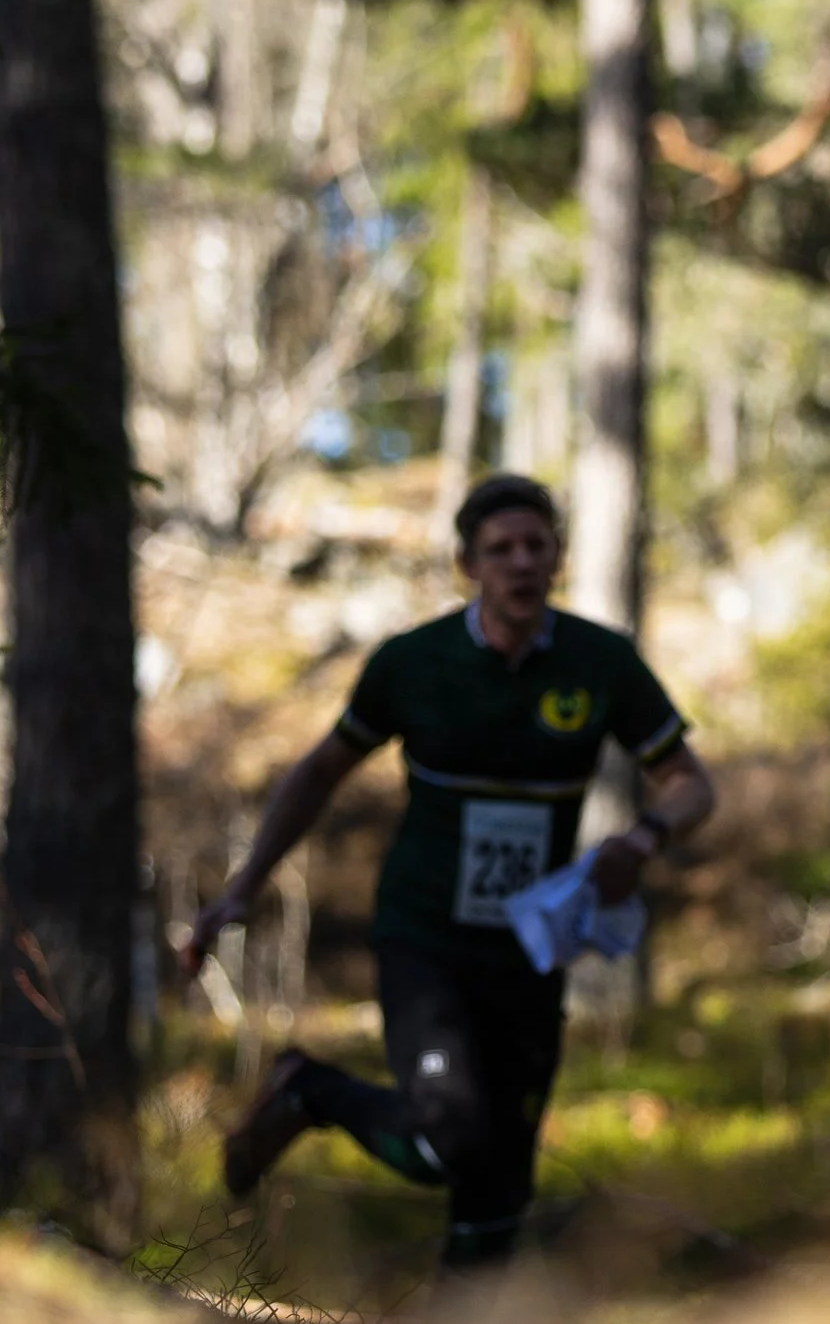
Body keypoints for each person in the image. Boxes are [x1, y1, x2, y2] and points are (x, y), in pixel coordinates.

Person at [182, 474, 716, 1272]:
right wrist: (243, 885)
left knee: (502, 1174)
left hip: (532, 948)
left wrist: (644, 835)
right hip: (425, 935)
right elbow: (320, 770)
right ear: (468, 563)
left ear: (559, 558)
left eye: (537, 546)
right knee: (442, 1139)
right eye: (501, 549)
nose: (521, 563)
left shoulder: (599, 664)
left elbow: (692, 783)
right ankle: (308, 1089)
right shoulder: (414, 664)